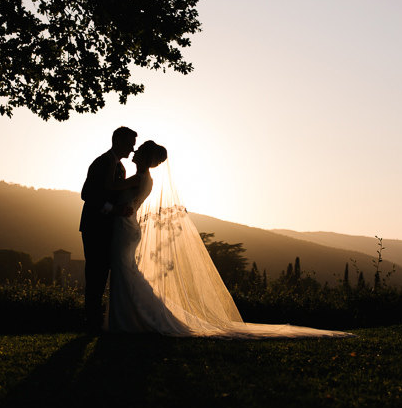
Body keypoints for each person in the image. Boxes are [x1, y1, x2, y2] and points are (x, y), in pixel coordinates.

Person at [106, 140, 354, 339]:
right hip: (127, 227)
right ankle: (131, 318)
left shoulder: (140, 178)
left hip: (126, 228)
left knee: (124, 271)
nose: (134, 151)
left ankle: (133, 319)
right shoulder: (144, 179)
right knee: (126, 272)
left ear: (146, 157)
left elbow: (108, 188)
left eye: (139, 149)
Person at [79, 126, 138, 332]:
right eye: (130, 143)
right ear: (118, 141)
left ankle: (101, 318)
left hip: (111, 229)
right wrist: (114, 210)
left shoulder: (120, 167)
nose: (133, 148)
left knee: (105, 272)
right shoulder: (101, 162)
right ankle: (92, 321)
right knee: (96, 273)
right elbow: (87, 194)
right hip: (95, 227)